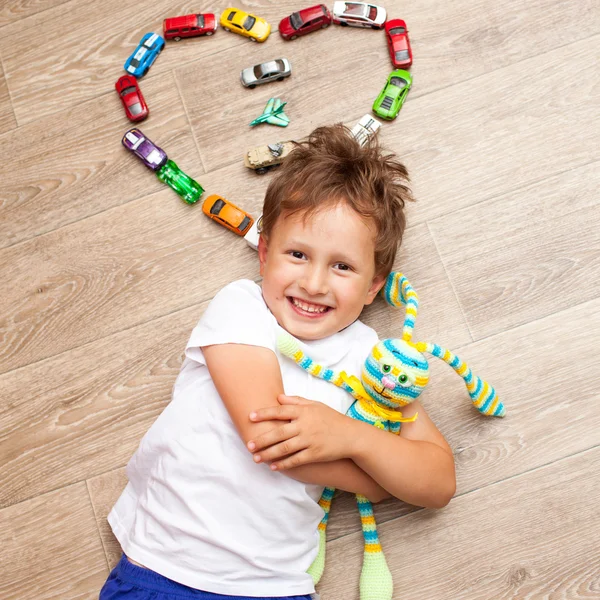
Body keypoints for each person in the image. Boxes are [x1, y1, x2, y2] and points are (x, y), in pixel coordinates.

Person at [100, 125, 456, 600]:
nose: (313, 282)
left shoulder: (374, 363)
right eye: (297, 254)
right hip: (165, 567)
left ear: (374, 286)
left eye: (343, 266)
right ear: (265, 253)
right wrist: (378, 483)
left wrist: (353, 436)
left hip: (274, 586)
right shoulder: (241, 306)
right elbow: (268, 438)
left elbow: (437, 483)